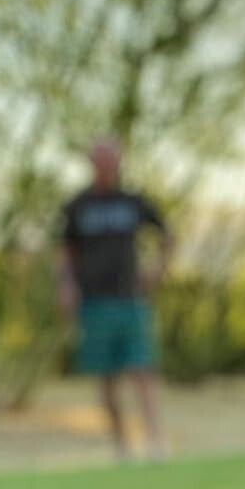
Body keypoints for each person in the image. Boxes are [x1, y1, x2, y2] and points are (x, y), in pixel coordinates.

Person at [54, 139, 172, 460]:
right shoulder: (77, 206)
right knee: (107, 379)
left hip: (130, 300)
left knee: (142, 370)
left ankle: (155, 443)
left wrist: (158, 271)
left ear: (119, 163)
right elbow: (64, 252)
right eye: (100, 160)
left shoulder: (133, 202)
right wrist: (65, 285)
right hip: (94, 302)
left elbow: (166, 235)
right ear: (92, 164)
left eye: (111, 160)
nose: (106, 166)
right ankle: (121, 447)